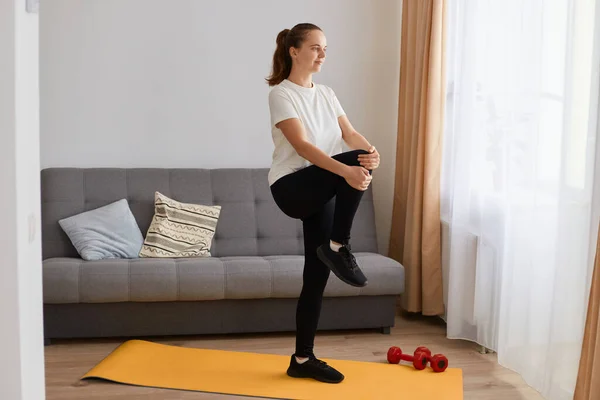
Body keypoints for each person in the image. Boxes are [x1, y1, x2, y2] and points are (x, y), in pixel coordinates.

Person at [265, 23, 381, 384]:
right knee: (352, 163)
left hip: (322, 186)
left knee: (315, 278)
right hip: (291, 186)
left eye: (325, 48)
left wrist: (369, 154)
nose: (322, 54)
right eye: (315, 47)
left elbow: (349, 134)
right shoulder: (281, 94)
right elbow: (302, 147)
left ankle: (302, 358)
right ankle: (338, 244)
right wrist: (348, 169)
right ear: (294, 51)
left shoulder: (327, 93)